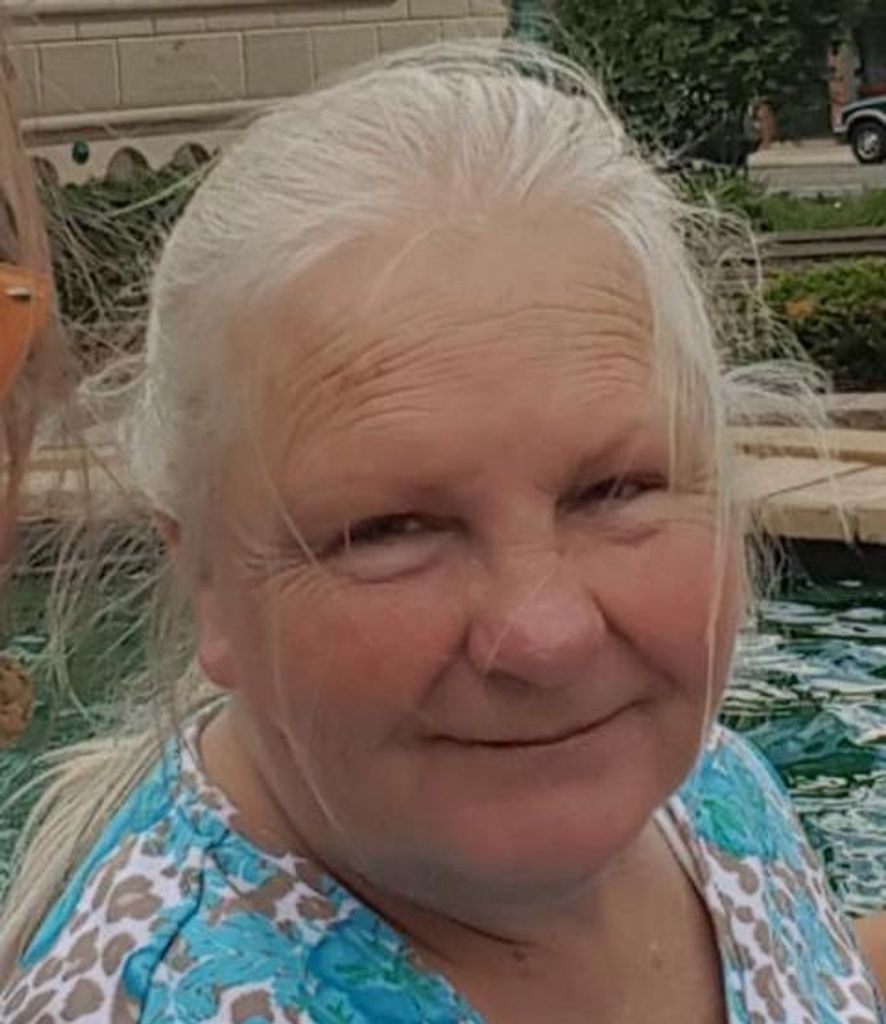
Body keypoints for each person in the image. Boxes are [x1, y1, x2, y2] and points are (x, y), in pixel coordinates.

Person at [1, 41, 884, 1023]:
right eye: (391, 530)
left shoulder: (694, 784)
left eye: (615, 490)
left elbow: (784, 964)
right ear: (207, 581)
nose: (550, 637)